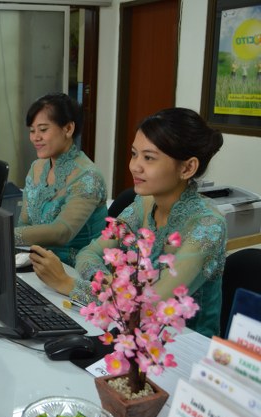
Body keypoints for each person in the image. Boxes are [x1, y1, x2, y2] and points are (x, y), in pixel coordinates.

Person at [30, 107, 226, 337]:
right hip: (132, 334)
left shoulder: (207, 226)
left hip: (184, 346)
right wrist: (109, 284)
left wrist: (68, 284)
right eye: (134, 154)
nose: (135, 166)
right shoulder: (144, 204)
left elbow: (150, 310)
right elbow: (89, 253)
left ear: (187, 167)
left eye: (149, 158)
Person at [14, 93, 108, 266]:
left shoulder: (88, 177)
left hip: (76, 268)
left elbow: (61, 232)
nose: (35, 137)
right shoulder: (37, 167)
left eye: (43, 130)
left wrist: (6, 235)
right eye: (32, 131)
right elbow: (25, 222)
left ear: (68, 129)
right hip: (38, 261)